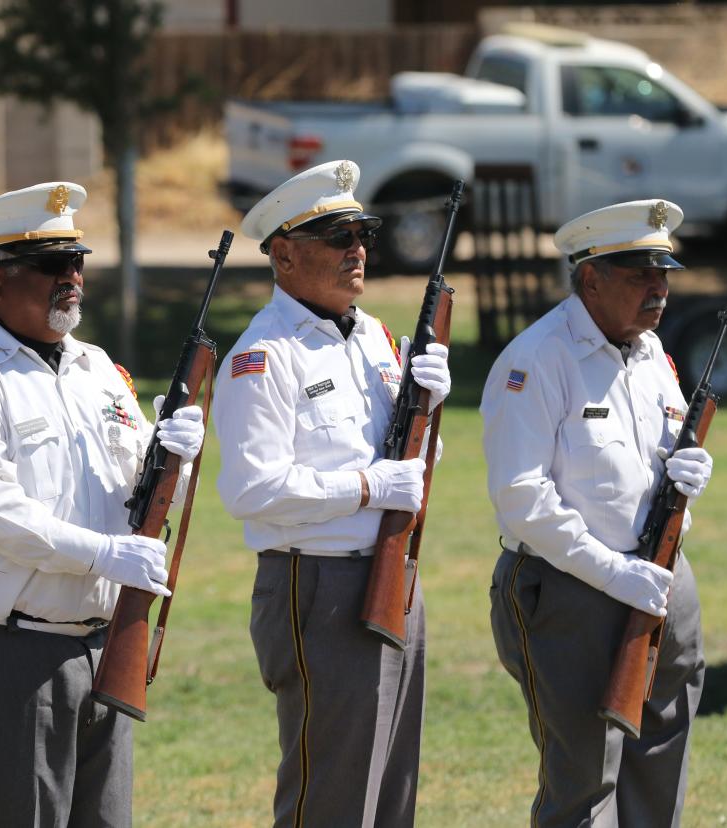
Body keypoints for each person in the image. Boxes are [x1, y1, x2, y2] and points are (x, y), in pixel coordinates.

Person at [0, 181, 205, 827]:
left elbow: (138, 499)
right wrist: (103, 554)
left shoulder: (98, 368)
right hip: (10, 650)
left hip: (104, 644)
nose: (71, 276)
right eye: (50, 265)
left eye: (76, 261)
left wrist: (177, 463)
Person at [212, 160, 452, 827]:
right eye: (336, 235)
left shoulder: (374, 336)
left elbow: (415, 463)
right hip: (316, 582)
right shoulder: (265, 354)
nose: (357, 250)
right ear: (283, 255)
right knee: (333, 795)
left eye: (362, 233)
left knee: (390, 790)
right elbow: (251, 489)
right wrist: (372, 486)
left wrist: (431, 411)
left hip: (392, 570)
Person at [481, 199, 713, 826]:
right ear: (591, 278)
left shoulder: (651, 354)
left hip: (662, 581)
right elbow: (521, 497)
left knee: (663, 759)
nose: (659, 289)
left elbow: (657, 461)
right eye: (641, 273)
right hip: (570, 590)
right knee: (583, 778)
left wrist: (688, 473)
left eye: (664, 273)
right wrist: (614, 574)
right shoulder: (538, 359)